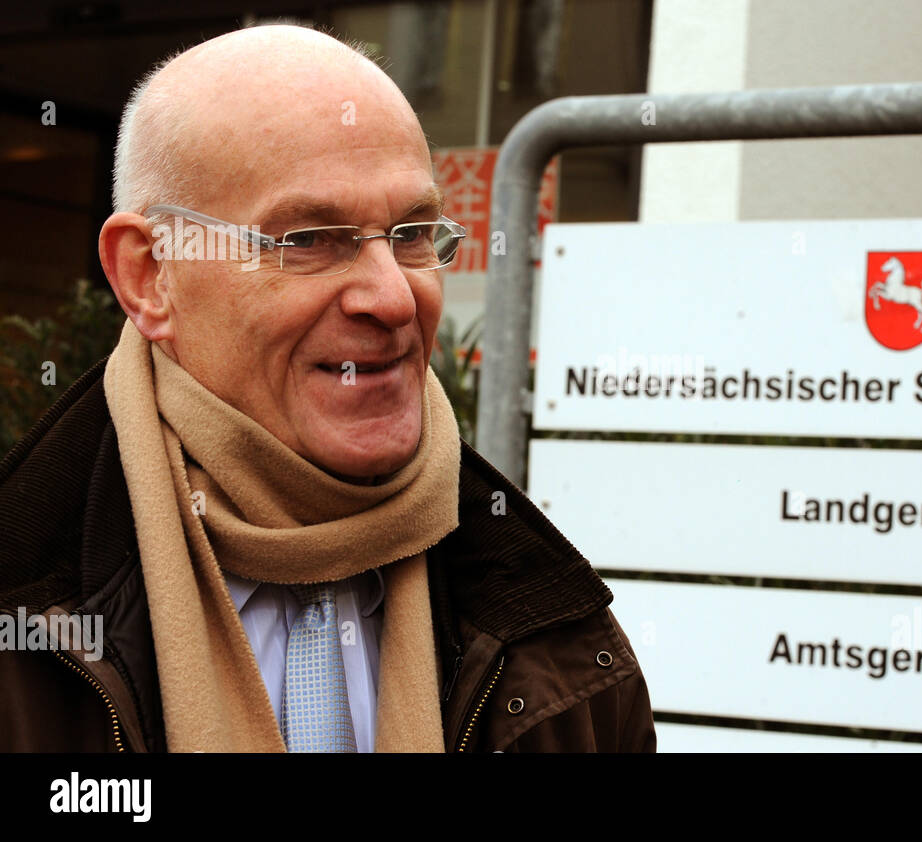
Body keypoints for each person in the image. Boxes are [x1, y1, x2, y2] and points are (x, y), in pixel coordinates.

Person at [0, 23, 655, 753]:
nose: (394, 298)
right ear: (149, 276)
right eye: (308, 240)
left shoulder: (559, 635)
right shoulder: (23, 614)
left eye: (411, 233)